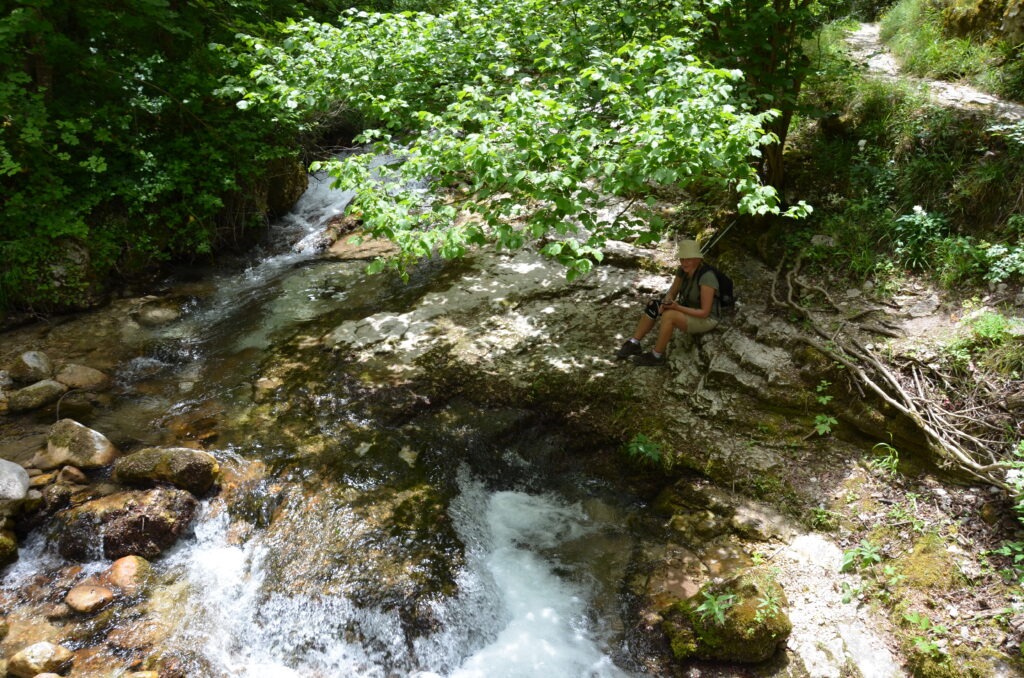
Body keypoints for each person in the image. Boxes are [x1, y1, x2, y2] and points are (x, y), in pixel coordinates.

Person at [616, 239, 720, 366]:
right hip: (689, 309)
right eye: (682, 259)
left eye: (688, 259)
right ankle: (634, 343)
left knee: (669, 316)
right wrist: (666, 302)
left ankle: (657, 355)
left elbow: (704, 313)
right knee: (653, 306)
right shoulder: (683, 270)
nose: (684, 262)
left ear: (697, 259)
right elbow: (673, 291)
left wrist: (676, 307)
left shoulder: (707, 277)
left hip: (707, 319)